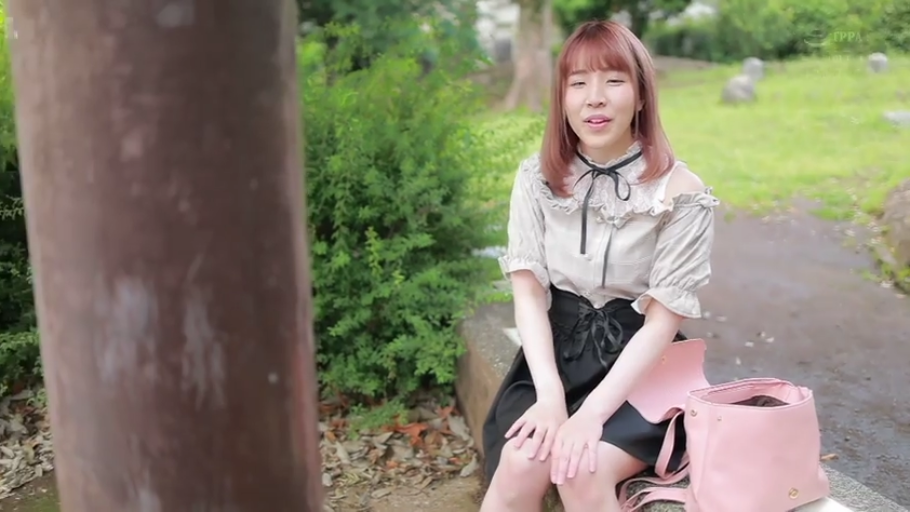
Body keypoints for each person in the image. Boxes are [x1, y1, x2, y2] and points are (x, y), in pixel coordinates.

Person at [478, 20, 719, 512]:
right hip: (555, 361)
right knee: (522, 463)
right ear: (562, 97)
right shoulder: (536, 178)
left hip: (642, 369)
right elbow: (528, 295)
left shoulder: (681, 193)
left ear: (641, 94)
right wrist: (550, 398)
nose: (595, 98)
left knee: (580, 469)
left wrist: (591, 415)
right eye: (578, 83)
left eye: (613, 80)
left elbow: (661, 323)